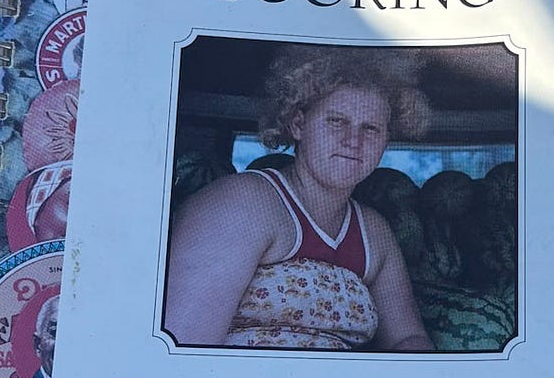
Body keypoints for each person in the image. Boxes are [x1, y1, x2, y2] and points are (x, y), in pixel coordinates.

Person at [164, 47, 435, 352]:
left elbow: (407, 338)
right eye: (337, 121)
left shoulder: (375, 232)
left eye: (370, 128)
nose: (353, 141)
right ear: (298, 124)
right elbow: (185, 349)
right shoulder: (242, 203)